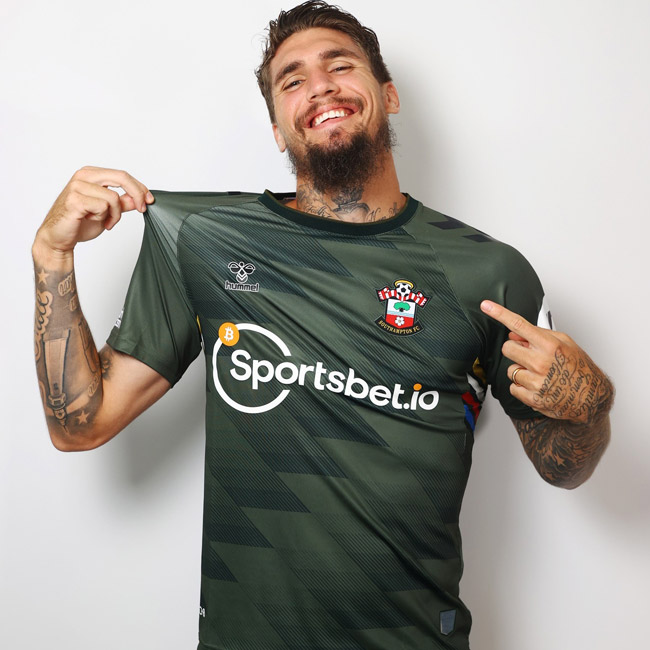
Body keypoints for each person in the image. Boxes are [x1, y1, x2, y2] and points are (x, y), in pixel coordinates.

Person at [32, 2, 614, 648]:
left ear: (387, 94)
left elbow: (563, 467)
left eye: (341, 66)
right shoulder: (204, 241)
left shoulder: (489, 272)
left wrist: (588, 406)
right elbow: (80, 424)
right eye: (293, 79)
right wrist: (52, 255)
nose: (320, 87)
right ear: (278, 130)